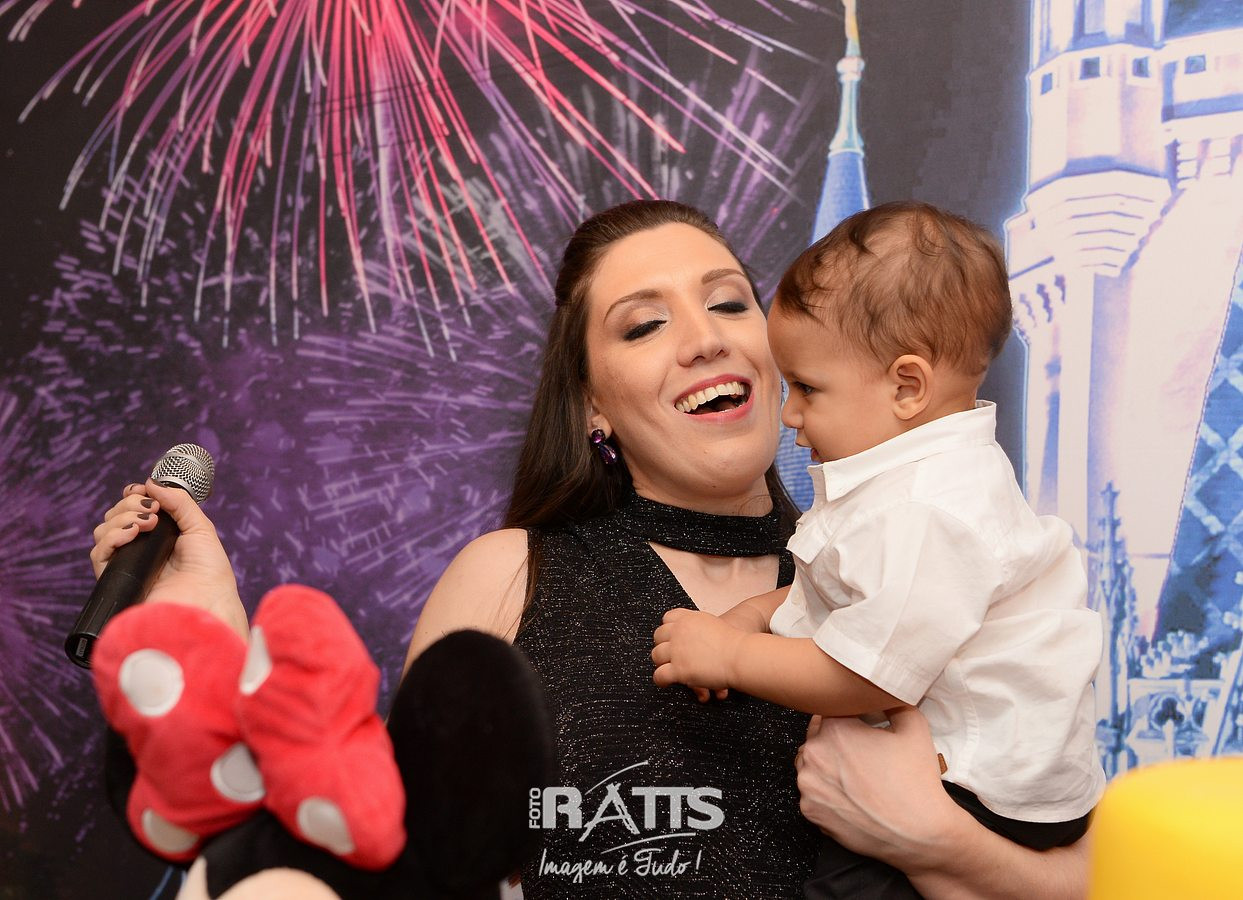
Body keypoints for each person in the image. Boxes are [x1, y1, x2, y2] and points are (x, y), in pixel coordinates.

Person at [92, 199, 1092, 898]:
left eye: (730, 302)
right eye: (645, 324)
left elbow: (1087, 872)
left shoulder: (918, 566)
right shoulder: (511, 575)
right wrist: (209, 641)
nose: (705, 338)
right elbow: (390, 856)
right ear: (591, 407)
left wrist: (936, 842)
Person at [650, 201, 1105, 896]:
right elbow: (861, 591)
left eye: (808, 389)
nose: (789, 413)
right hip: (988, 779)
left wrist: (731, 656)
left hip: (978, 790)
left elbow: (866, 674)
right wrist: (754, 616)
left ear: (906, 386)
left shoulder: (924, 506)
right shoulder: (918, 482)